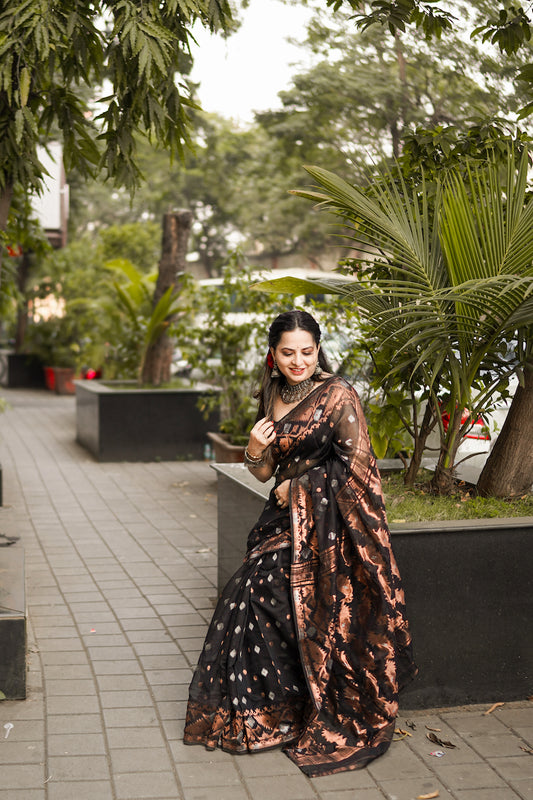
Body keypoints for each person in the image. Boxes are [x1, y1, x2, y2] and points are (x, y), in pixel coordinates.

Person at [184, 309, 417, 777]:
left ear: (318, 350)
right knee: (248, 597)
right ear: (272, 354)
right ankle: (275, 714)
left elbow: (359, 469)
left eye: (306, 352)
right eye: (287, 353)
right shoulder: (272, 393)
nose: (298, 362)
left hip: (328, 526)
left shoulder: (338, 396)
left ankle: (298, 710)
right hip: (279, 520)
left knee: (265, 594)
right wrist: (253, 448)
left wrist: (303, 487)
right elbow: (265, 473)